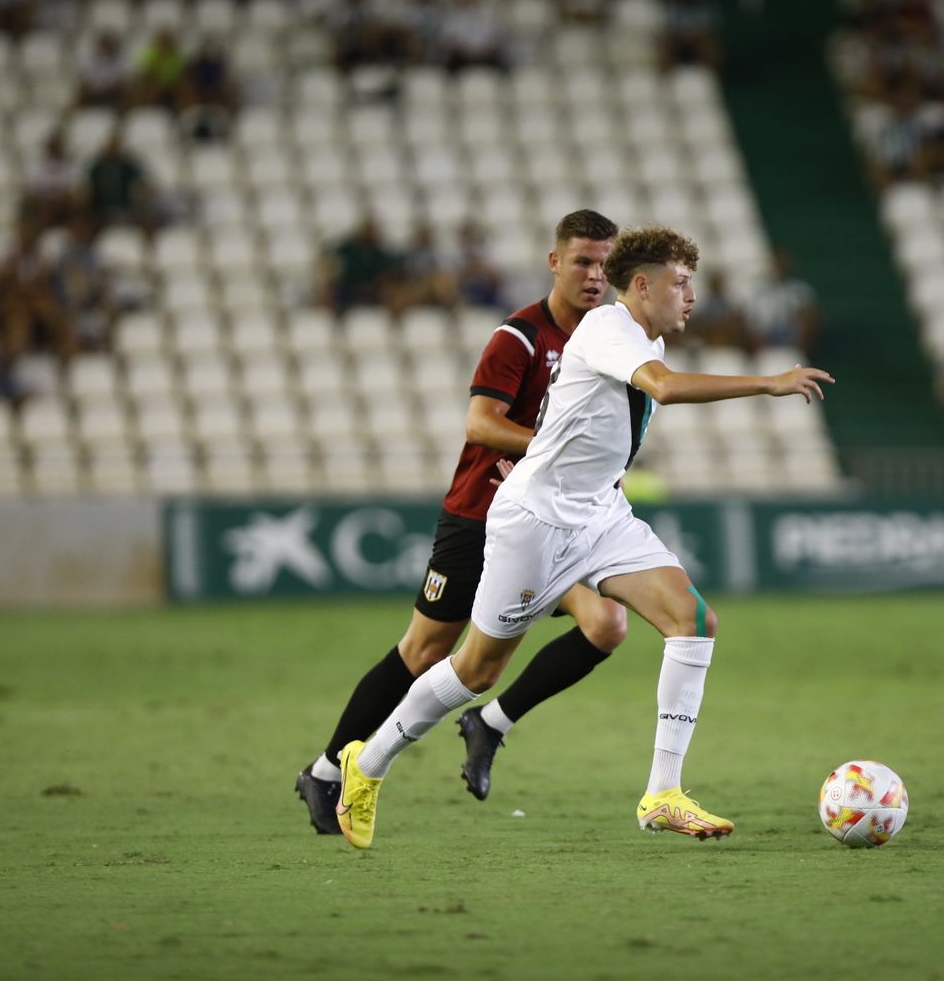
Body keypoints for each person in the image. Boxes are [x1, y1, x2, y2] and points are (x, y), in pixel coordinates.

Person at [332, 225, 833, 849]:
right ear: (643, 286)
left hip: (599, 515)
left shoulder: (636, 336)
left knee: (693, 620)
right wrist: (768, 381)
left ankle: (663, 794)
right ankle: (367, 762)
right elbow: (667, 389)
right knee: (474, 669)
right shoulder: (605, 328)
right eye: (680, 283)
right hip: (535, 523)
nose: (691, 297)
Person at [294, 210, 630, 836]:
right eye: (583, 261)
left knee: (607, 624)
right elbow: (481, 423)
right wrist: (551, 453)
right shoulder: (520, 338)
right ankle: (325, 770)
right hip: (478, 519)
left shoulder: (610, 342)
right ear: (555, 263)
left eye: (606, 265)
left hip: (554, 524)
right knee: (425, 652)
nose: (595, 276)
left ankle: (490, 722)